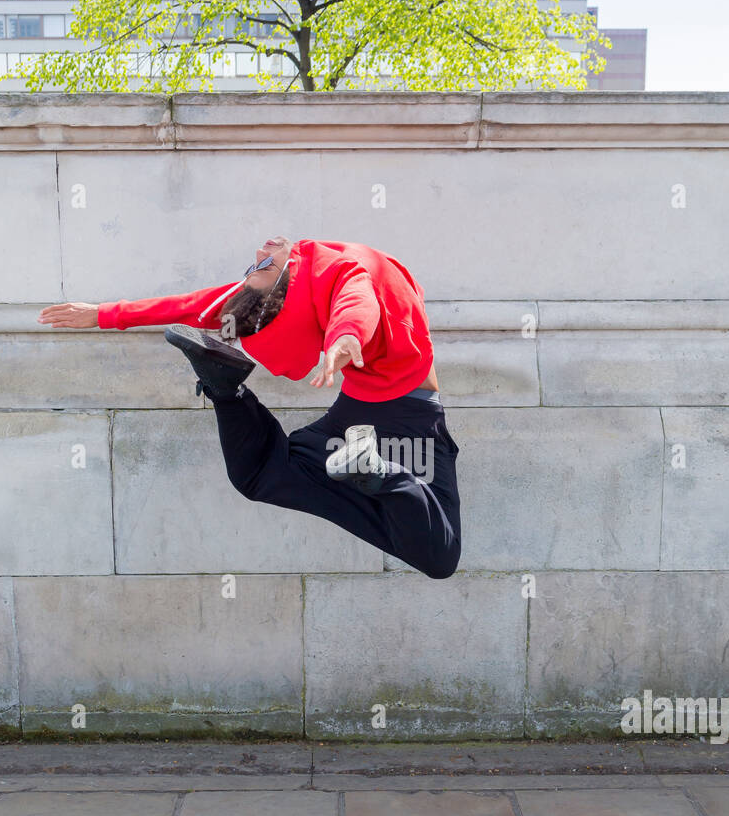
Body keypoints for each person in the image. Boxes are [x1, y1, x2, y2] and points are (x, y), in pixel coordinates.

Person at [38, 236, 461, 580]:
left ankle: (229, 395)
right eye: (253, 267)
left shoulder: (344, 270)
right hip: (401, 421)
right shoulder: (290, 273)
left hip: (390, 419)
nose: (260, 253)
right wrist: (103, 314)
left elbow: (358, 301)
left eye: (261, 265)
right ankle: (233, 393)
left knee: (430, 549)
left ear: (286, 283)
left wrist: (345, 340)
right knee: (437, 556)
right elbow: (191, 306)